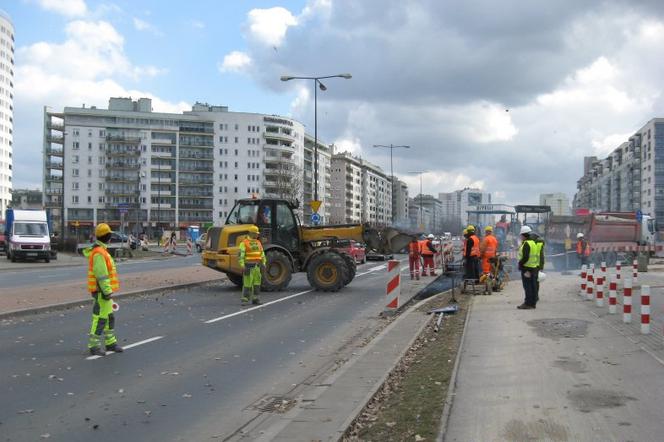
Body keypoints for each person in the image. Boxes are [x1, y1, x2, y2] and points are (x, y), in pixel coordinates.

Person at [83, 223, 123, 356]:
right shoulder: (99, 253)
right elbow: (102, 275)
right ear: (107, 236)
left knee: (108, 317)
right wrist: (107, 291)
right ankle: (94, 346)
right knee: (100, 319)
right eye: (110, 234)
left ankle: (110, 343)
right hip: (101, 292)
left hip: (103, 291)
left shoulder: (101, 251)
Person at [239, 225, 267, 305]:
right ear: (251, 233)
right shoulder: (244, 243)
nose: (257, 235)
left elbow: (262, 254)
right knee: (247, 284)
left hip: (257, 267)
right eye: (256, 233)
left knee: (257, 283)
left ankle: (256, 299)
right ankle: (245, 299)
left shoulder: (258, 242)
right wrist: (242, 265)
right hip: (248, 267)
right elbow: (241, 255)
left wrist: (264, 263)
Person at [517, 225, 542, 309]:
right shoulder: (533, 243)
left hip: (526, 268)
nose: (520, 237)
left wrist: (520, 264)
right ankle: (533, 303)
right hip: (533, 267)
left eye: (521, 235)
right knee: (532, 286)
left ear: (523, 235)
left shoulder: (527, 243)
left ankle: (528, 303)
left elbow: (525, 257)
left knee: (527, 286)